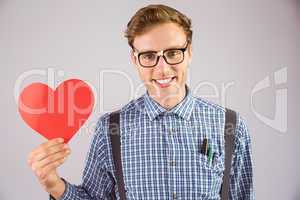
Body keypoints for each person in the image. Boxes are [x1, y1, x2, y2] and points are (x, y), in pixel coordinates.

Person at [27, 4, 254, 199]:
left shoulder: (230, 125)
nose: (162, 68)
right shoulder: (110, 129)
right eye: (148, 56)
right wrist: (53, 184)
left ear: (190, 52)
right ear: (134, 59)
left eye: (173, 52)